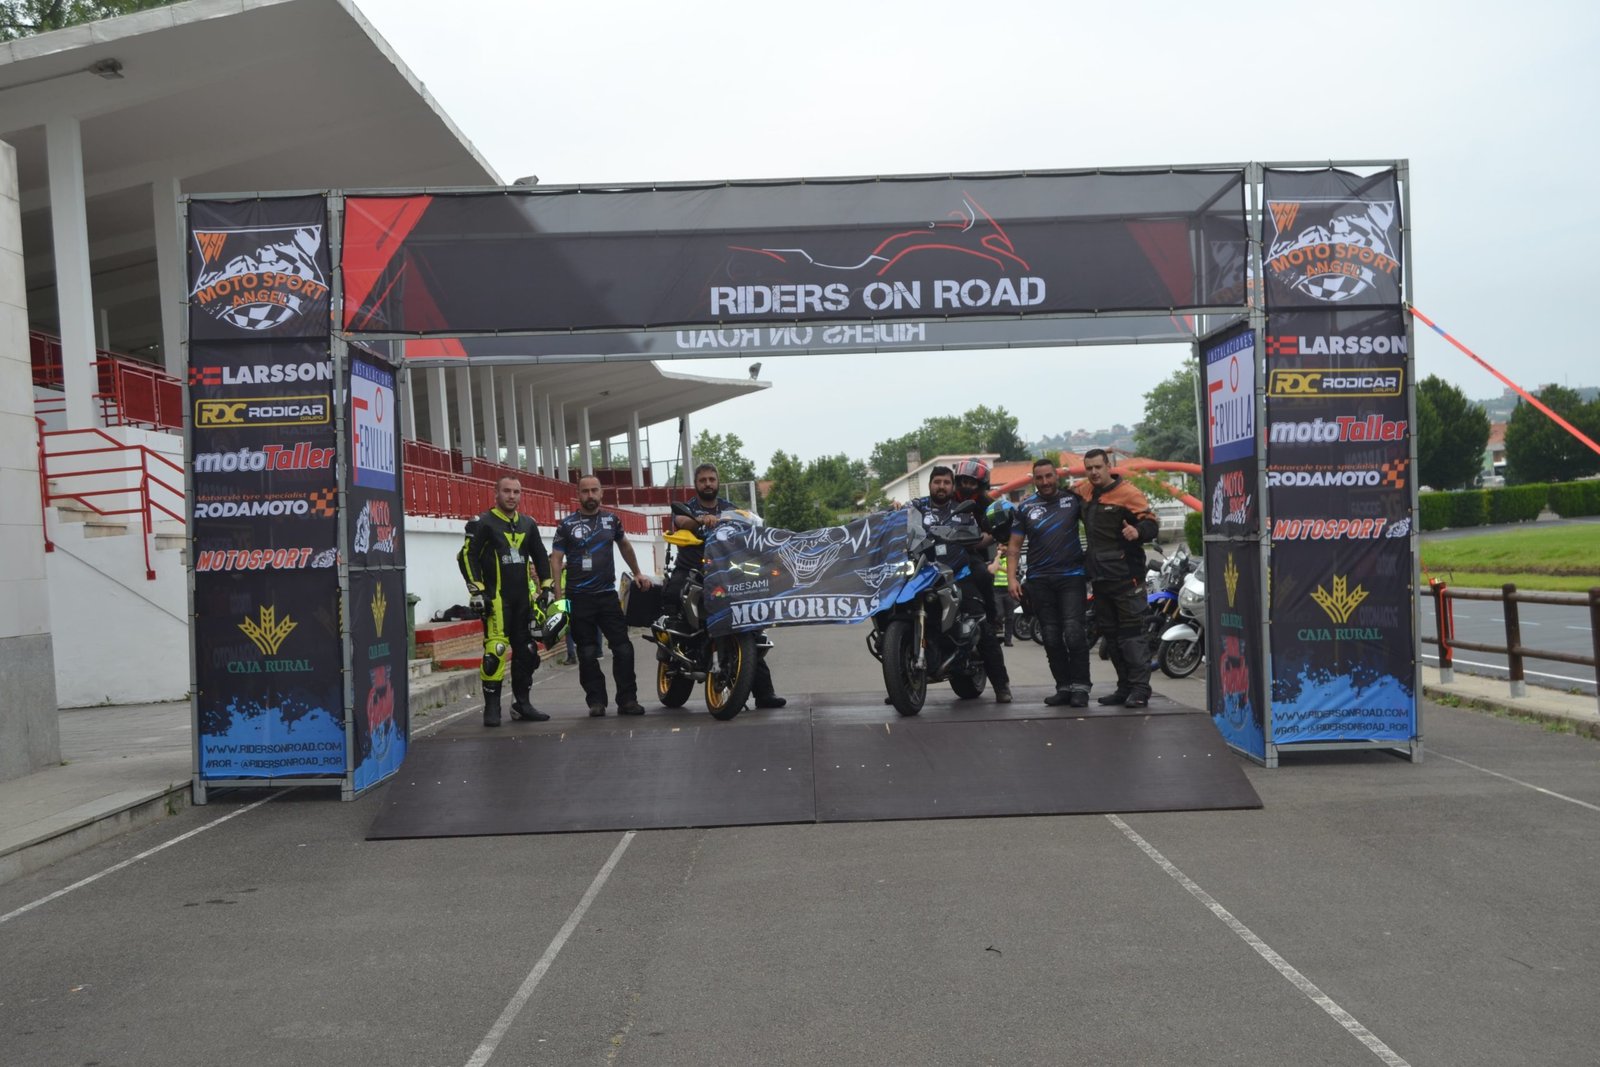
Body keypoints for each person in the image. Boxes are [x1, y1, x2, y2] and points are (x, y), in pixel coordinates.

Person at [665, 462, 786, 710]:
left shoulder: (729, 508)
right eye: (703, 480)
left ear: (718, 482)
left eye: (712, 479)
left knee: (749, 625)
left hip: (726, 571)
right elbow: (681, 520)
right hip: (694, 568)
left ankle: (765, 693)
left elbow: (747, 526)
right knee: (673, 592)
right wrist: (699, 520)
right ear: (696, 484)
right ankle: (675, 641)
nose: (708, 484)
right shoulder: (690, 507)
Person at [550, 475, 652, 717]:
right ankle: (596, 701)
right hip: (578, 598)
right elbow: (556, 559)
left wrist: (638, 572)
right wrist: (558, 598)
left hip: (607, 596)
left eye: (594, 490)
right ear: (578, 494)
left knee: (624, 649)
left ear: (601, 492)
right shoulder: (566, 525)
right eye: (585, 491)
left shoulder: (611, 520)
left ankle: (628, 700)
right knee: (586, 653)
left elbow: (625, 545)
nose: (590, 495)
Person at [457, 476, 552, 726]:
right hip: (496, 602)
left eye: (516, 492)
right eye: (507, 491)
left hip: (523, 602)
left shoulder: (528, 524)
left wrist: (547, 587)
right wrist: (477, 590)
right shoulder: (482, 522)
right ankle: (492, 708)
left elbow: (541, 555)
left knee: (528, 652)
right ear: (496, 493)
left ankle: (522, 705)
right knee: (495, 652)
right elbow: (466, 556)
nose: (512, 496)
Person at [1074, 448, 1159, 708]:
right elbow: (1062, 497)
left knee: (1132, 636)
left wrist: (1138, 531)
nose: (1093, 472)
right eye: (1089, 468)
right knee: (1111, 637)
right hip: (1100, 579)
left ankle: (1140, 690)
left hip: (1126, 578)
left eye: (1098, 467)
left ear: (1108, 466)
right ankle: (1124, 688)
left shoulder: (1129, 493)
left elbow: (1152, 524)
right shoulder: (1083, 491)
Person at [1007, 457, 1091, 707]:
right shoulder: (1025, 508)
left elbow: (1098, 522)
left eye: (1049, 476)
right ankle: (1063, 687)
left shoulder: (1072, 500)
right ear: (1034, 480)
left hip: (1072, 577)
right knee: (1051, 637)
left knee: (1074, 633)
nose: (1045, 482)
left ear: (1057, 476)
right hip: (1039, 581)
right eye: (1039, 478)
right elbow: (1014, 547)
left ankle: (1081, 688)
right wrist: (1011, 579)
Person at [945, 458, 1013, 703]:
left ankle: (1001, 685)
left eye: (971, 482)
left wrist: (981, 539)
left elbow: (995, 531)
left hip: (969, 558)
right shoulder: (943, 501)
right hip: (938, 561)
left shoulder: (986, 505)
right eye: (963, 480)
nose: (966, 485)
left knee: (981, 622)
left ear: (981, 485)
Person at [988, 551, 1015, 647]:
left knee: (1010, 617)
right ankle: (996, 635)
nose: (1001, 548)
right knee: (998, 613)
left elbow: (1011, 571)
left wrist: (999, 567)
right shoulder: (995, 559)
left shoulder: (1011, 559)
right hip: (997, 590)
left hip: (1008, 590)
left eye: (1003, 546)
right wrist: (998, 556)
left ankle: (1008, 640)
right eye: (999, 546)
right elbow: (991, 570)